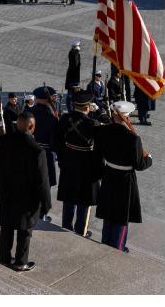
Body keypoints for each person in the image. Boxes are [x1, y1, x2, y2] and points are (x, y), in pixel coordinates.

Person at [0, 111, 52, 272]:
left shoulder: (4, 141)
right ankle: (20, 262)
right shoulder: (37, 150)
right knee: (25, 231)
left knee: (6, 227)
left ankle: (5, 259)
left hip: (7, 193)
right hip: (27, 199)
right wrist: (46, 204)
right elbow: (43, 182)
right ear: (32, 126)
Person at [95, 101, 153, 252]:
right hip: (125, 179)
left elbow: (98, 155)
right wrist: (149, 159)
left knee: (109, 212)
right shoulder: (133, 139)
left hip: (109, 175)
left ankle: (105, 241)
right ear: (127, 117)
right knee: (122, 215)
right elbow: (140, 164)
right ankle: (118, 246)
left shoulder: (102, 131)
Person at [54, 91, 102, 237]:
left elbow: (57, 141)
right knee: (84, 200)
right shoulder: (92, 123)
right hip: (87, 165)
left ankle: (66, 225)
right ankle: (81, 230)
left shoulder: (65, 118)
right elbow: (99, 149)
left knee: (69, 197)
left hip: (69, 161)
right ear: (88, 106)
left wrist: (62, 159)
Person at [29, 86, 60, 192]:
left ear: (38, 99)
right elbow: (56, 138)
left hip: (32, 151)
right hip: (48, 152)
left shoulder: (30, 112)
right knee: (46, 183)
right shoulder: (52, 117)